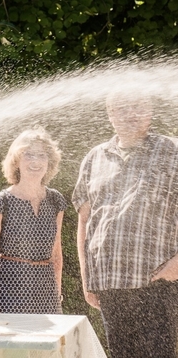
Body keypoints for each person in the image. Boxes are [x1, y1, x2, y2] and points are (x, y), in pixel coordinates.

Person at [72, 91, 178, 358]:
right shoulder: (95, 157)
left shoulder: (172, 151)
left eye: (137, 107)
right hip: (109, 283)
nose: (130, 114)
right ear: (110, 115)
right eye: (121, 108)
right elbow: (84, 221)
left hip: (156, 281)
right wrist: (87, 278)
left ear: (150, 111)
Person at [0, 127, 67, 314]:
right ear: (16, 161)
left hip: (47, 294)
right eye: (28, 154)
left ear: (49, 161)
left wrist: (57, 298)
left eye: (41, 155)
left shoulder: (56, 200)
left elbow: (56, 257)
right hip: (8, 293)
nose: (35, 161)